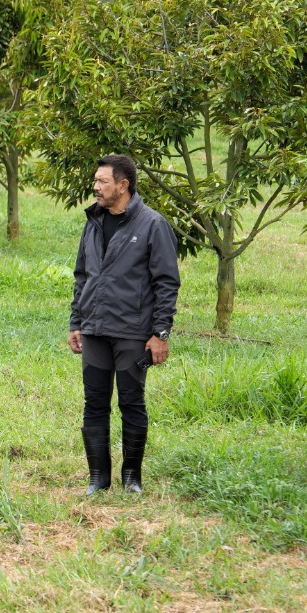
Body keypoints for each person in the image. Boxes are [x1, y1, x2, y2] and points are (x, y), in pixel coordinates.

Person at [69, 155, 180, 496]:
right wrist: (77, 320)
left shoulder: (152, 225)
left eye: (102, 181)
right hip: (95, 329)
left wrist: (160, 333)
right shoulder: (94, 223)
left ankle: (132, 477)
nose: (96, 187)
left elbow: (166, 282)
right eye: (96, 181)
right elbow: (82, 276)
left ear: (123, 185)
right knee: (94, 402)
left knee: (132, 402)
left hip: (133, 331)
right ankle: (97, 478)